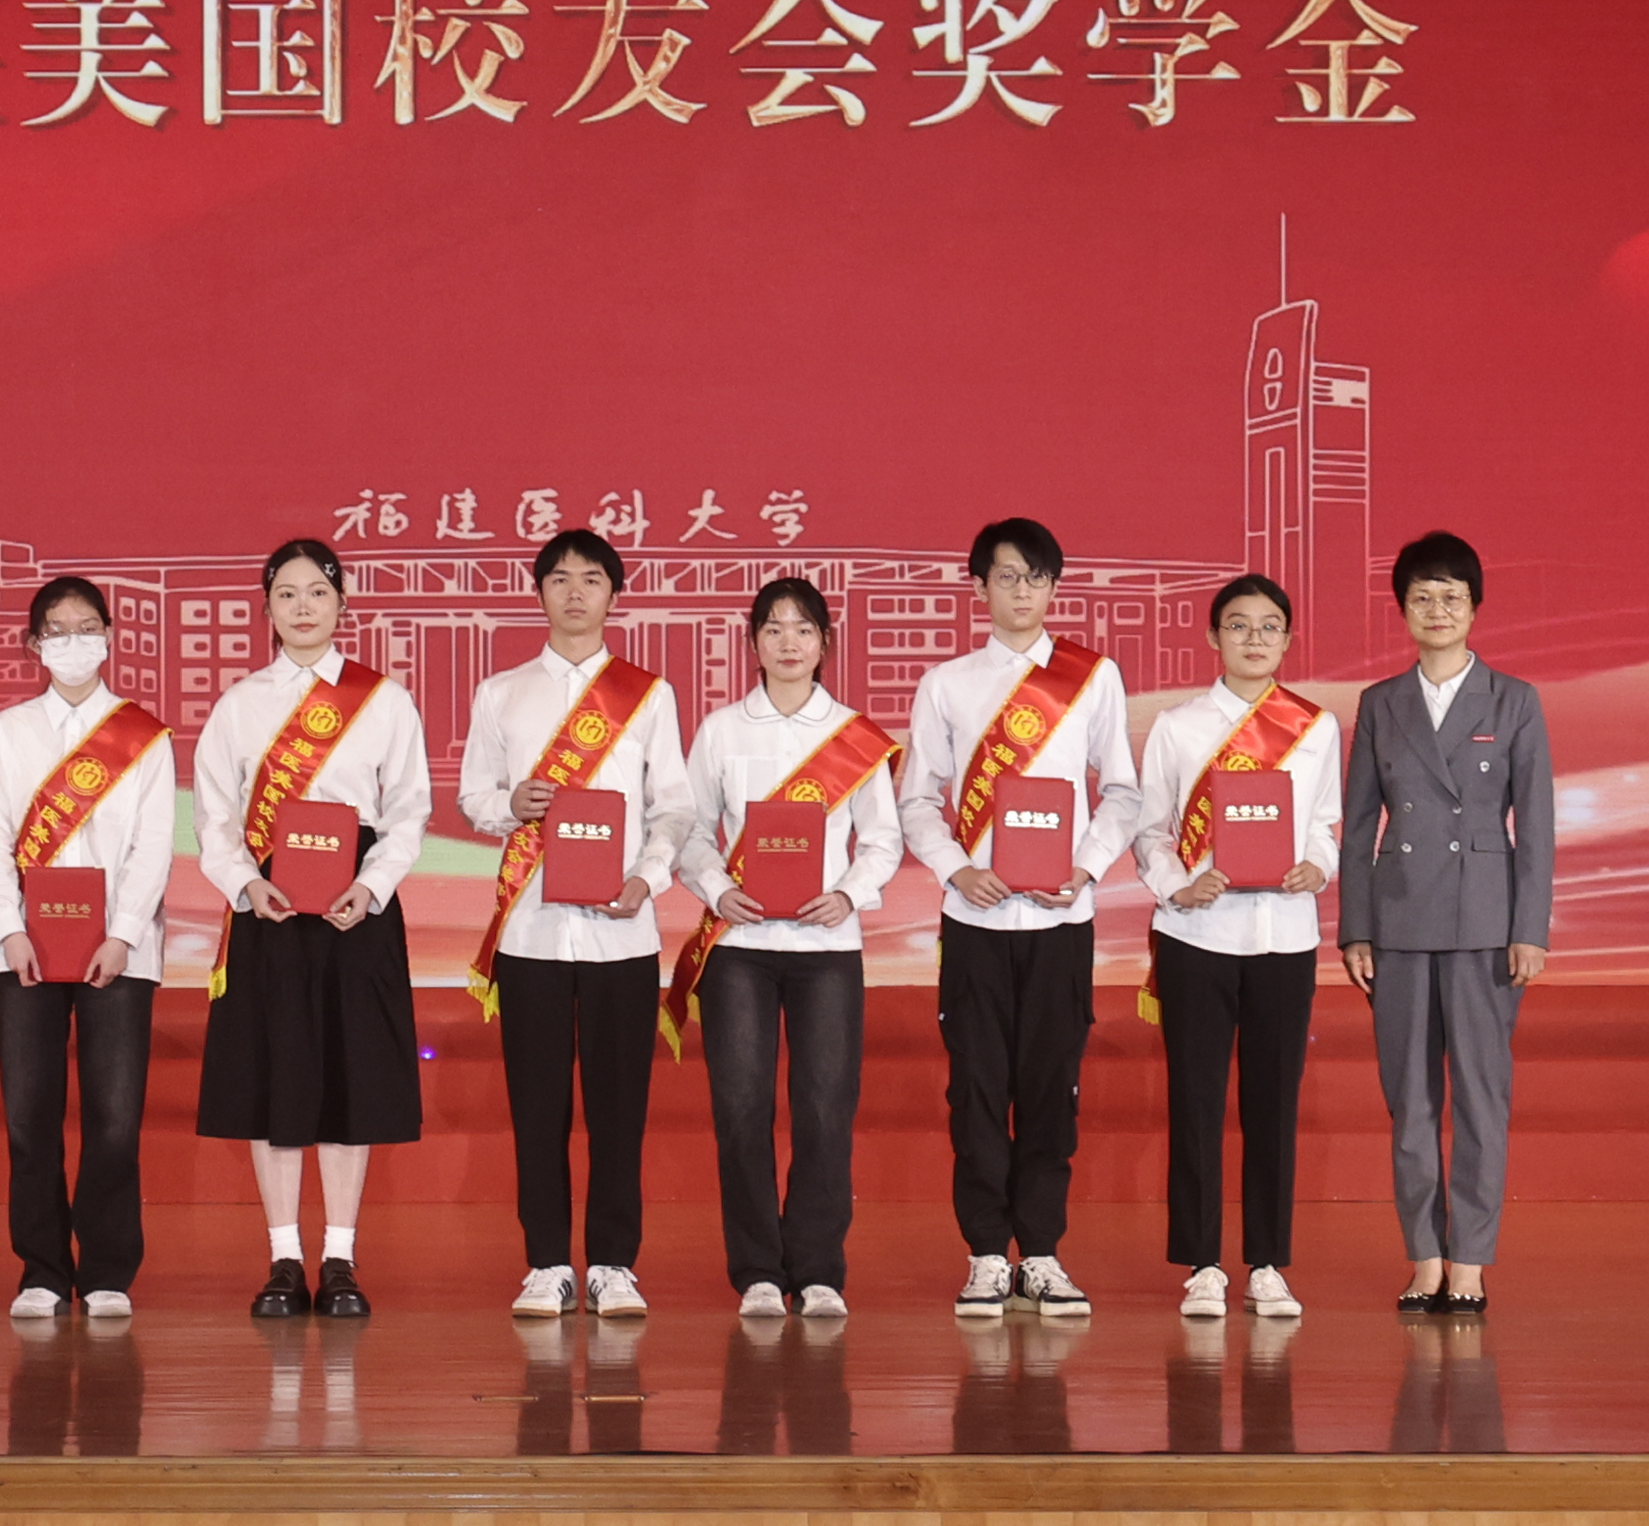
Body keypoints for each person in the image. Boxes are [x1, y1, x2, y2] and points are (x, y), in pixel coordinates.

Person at [899, 517, 1140, 1320]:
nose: (1022, 592)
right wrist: (956, 869)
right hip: (974, 920)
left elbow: (1124, 792)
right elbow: (918, 799)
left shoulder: (1092, 678)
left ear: (1054, 587)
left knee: (1049, 1088)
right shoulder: (947, 684)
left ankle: (1039, 1252)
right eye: (1006, 577)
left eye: (1036, 578)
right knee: (975, 1089)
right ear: (979, 587)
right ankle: (982, 1254)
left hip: (1060, 920)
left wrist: (1086, 867)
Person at [455, 529, 694, 1321]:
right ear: (539, 593)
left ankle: (614, 1265)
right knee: (538, 1106)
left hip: (622, 931)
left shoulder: (648, 695)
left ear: (613, 595)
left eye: (591, 579)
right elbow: (474, 797)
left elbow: (675, 807)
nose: (575, 593)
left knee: (620, 1108)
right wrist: (509, 804)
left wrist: (647, 877)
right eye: (559, 579)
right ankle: (547, 1263)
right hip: (530, 933)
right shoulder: (501, 692)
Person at [194, 537, 431, 1318]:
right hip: (270, 909)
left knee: (347, 1076)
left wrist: (371, 886)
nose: (303, 607)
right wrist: (245, 884)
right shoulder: (240, 705)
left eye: (318, 593)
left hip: (356, 911)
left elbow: (408, 812)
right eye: (287, 594)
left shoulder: (383, 700)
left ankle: (340, 1258)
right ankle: (283, 1259)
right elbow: (215, 819)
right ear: (267, 607)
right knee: (276, 1078)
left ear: (342, 604)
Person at [667, 577, 902, 1320]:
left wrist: (850, 894)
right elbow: (690, 829)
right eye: (773, 629)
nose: (789, 643)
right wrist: (715, 887)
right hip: (740, 945)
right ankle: (758, 1271)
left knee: (825, 1108)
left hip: (827, 943)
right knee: (741, 1107)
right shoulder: (721, 730)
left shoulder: (854, 736)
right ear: (754, 643)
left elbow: (884, 840)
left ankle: (820, 1268)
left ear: (825, 643)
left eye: (803, 629)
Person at [1340, 531, 1554, 1317]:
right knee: (1410, 1100)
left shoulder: (1514, 700)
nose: (1437, 610)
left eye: (1452, 597)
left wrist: (1530, 929)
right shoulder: (1378, 703)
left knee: (1481, 1099)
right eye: (1422, 597)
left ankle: (1470, 1259)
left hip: (1486, 924)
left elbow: (1536, 826)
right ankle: (1424, 1256)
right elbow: (1357, 825)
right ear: (1402, 609)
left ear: (1475, 607)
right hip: (1397, 921)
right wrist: (1355, 929)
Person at [1132, 574, 1343, 1322]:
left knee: (1273, 1104)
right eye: (1239, 625)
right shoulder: (1178, 727)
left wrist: (1319, 865)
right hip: (1198, 935)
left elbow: (1324, 823)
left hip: (1284, 936)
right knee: (1195, 1101)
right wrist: (1176, 885)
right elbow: (1151, 831)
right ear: (1213, 637)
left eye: (1269, 626)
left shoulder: (1314, 727)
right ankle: (1202, 1264)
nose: (1255, 638)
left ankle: (1266, 1264)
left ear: (1288, 639)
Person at [0, 577, 176, 1321]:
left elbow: (155, 844)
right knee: (30, 1116)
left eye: (87, 628)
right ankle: (43, 1270)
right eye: (57, 630)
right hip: (24, 949)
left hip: (121, 951)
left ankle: (109, 1269)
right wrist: (9, 928)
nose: (73, 642)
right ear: (34, 644)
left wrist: (123, 932)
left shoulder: (144, 737)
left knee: (114, 1116)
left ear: (110, 637)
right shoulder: (8, 732)